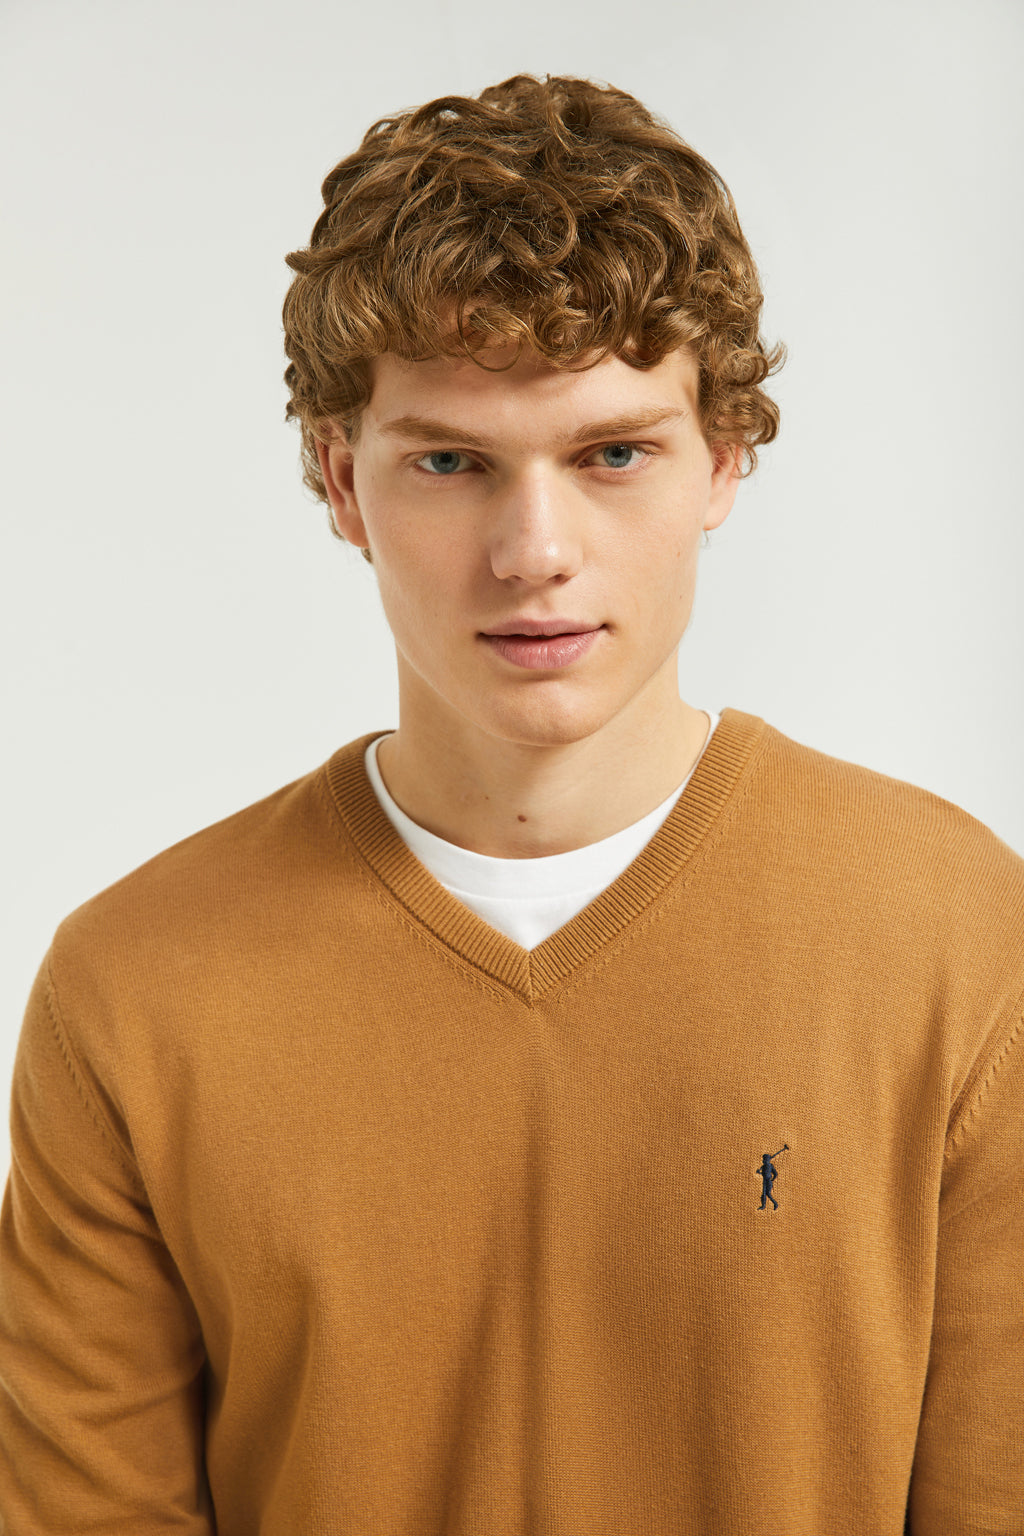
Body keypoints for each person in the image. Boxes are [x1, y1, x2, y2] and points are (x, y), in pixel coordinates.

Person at [0, 72, 1020, 1536]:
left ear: (725, 457)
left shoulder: (963, 945)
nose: (535, 551)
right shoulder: (134, 992)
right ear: (339, 481)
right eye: (450, 463)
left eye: (614, 454)